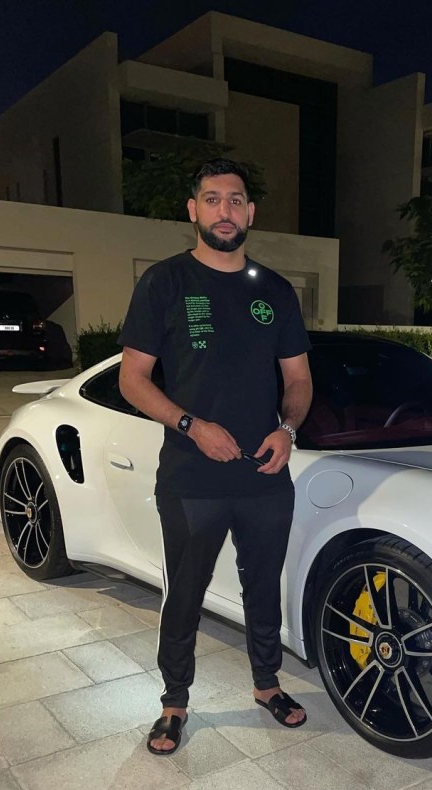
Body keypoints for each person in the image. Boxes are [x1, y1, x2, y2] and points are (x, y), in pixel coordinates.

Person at [118, 157, 312, 755]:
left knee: (262, 587)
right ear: (193, 210)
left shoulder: (275, 291)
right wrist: (190, 425)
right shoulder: (163, 282)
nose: (224, 211)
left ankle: (266, 685)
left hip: (265, 475)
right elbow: (133, 379)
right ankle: (174, 703)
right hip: (190, 477)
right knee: (185, 591)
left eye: (235, 201)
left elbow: (299, 381)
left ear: (249, 213)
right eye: (211, 199)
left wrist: (287, 428)